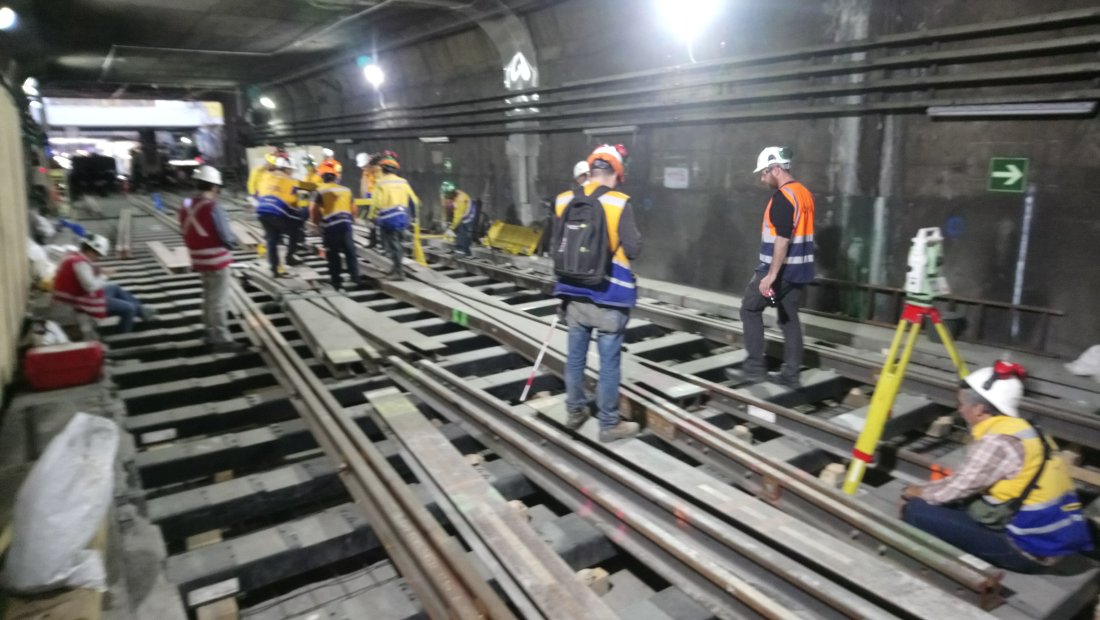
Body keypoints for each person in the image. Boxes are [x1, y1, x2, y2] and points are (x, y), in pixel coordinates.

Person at [901, 362, 1093, 572]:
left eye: (962, 403)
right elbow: (968, 482)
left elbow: (956, 489)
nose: (959, 409)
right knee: (954, 503)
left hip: (1027, 551)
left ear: (980, 409)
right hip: (1051, 542)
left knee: (915, 510)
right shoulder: (1028, 430)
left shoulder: (997, 442)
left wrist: (915, 492)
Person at [554, 144, 641, 443]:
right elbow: (633, 249)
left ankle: (575, 410)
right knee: (609, 363)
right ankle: (608, 424)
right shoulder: (619, 202)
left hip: (572, 293)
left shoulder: (564, 199)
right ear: (616, 174)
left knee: (575, 358)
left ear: (590, 171)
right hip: (609, 295)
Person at [731, 146, 815, 388]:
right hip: (800, 271)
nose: (762, 178)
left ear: (776, 169)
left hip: (779, 271)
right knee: (788, 318)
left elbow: (782, 239)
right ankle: (791, 375)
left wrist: (771, 275)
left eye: (765, 172)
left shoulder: (782, 198)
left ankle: (755, 369)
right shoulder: (804, 193)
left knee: (749, 309)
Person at [180, 165, 246, 353]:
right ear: (214, 187)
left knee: (208, 298)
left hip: (198, 260)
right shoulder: (213, 207)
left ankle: (209, 333)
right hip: (216, 260)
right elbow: (226, 236)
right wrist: (230, 244)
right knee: (219, 301)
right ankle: (222, 339)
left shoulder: (186, 204)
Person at [52, 234, 155, 333]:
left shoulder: (72, 256)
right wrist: (105, 276)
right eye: (97, 255)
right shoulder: (80, 263)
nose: (97, 258)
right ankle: (123, 336)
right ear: (91, 251)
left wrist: (100, 271)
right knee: (129, 309)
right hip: (81, 302)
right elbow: (90, 287)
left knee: (114, 287)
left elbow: (82, 274)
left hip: (75, 296)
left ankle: (142, 311)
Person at [368, 150, 420, 280]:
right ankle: (397, 268)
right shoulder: (403, 182)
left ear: (383, 169)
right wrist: (415, 218)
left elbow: (376, 203)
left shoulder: (380, 183)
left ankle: (399, 273)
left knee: (392, 246)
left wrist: (371, 216)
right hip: (403, 218)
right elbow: (415, 200)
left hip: (388, 220)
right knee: (400, 245)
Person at [255, 156, 308, 277]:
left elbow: (259, 192)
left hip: (261, 211)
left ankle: (274, 269)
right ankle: (290, 256)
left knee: (272, 239)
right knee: (296, 227)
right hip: (277, 212)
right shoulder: (290, 181)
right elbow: (294, 202)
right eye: (292, 170)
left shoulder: (265, 176)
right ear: (287, 169)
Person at [312, 161, 361, 290]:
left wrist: (316, 224)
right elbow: (354, 209)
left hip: (331, 226)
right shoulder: (346, 190)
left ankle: (336, 281)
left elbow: (314, 211)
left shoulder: (320, 191)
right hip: (345, 224)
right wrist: (353, 219)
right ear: (335, 177)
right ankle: (355, 277)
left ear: (323, 177)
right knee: (350, 251)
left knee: (333, 254)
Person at [441, 181, 477, 256]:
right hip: (460, 212)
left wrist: (451, 228)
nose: (445, 197)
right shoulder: (447, 195)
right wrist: (446, 221)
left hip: (468, 214)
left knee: (462, 229)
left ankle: (460, 251)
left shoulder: (460, 199)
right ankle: (466, 251)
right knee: (458, 229)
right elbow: (446, 208)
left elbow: (458, 217)